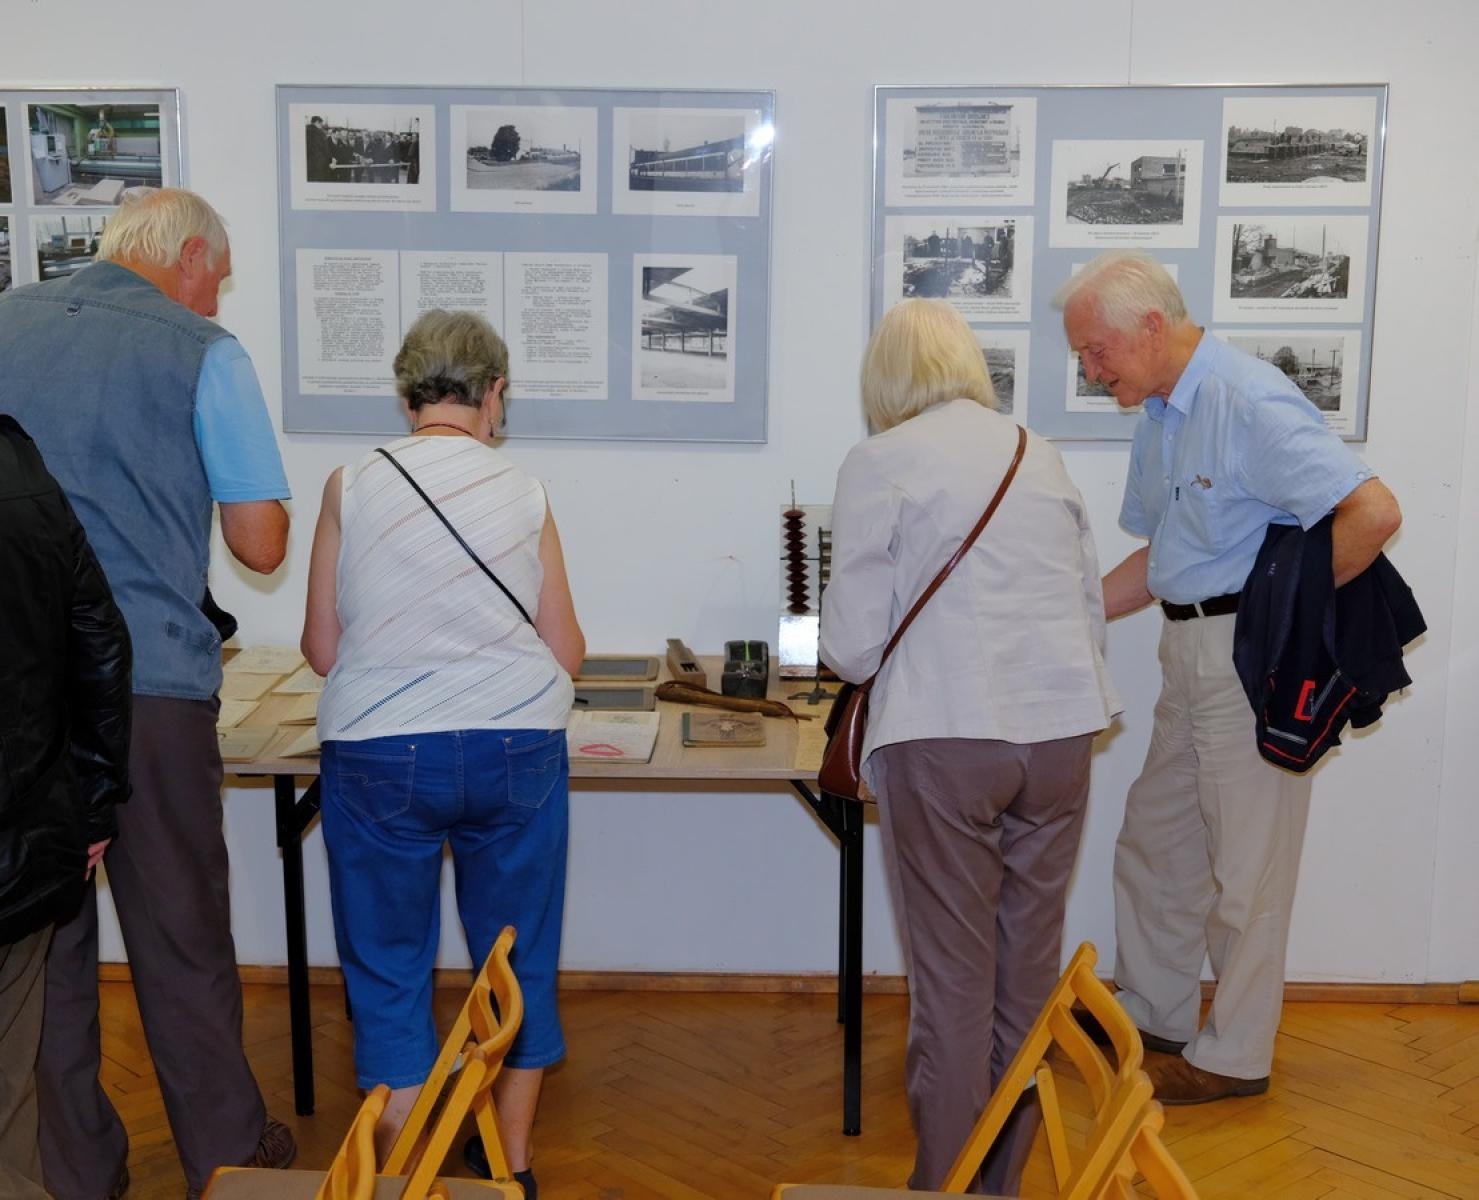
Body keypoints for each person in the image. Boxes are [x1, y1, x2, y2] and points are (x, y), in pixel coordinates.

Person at [0, 187, 295, 1199]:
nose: (215, 297)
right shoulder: (204, 353)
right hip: (151, 689)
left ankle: (75, 1167)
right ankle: (228, 1155)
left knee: (46, 945)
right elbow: (261, 545)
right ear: (184, 257)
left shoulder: (5, 320)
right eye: (217, 276)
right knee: (181, 933)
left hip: (20, 695)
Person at [1053, 250, 1402, 1104]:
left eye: (1096, 351)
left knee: (1247, 872)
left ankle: (1232, 1057)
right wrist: (1062, 618)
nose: (1089, 371)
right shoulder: (1162, 416)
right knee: (1155, 845)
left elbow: (1374, 512)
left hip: (1248, 659)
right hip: (1187, 655)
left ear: (1150, 326)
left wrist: (1286, 624)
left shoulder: (1246, 399)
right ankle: (1154, 1010)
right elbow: (1163, 559)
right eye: (1081, 357)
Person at [818, 298, 1121, 1195]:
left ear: (885, 379)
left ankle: (945, 1184)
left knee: (951, 982)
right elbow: (1088, 614)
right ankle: (1001, 1182)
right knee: (1024, 976)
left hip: (947, 733)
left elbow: (849, 646)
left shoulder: (879, 461)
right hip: (1060, 732)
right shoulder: (1040, 454)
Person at [301, 309, 585, 1200]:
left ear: (406, 394)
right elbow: (566, 649)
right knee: (518, 957)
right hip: (515, 748)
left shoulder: (351, 484)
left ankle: (408, 1166)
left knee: (388, 966)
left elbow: (320, 647)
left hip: (382, 754)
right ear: (494, 393)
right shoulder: (526, 491)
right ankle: (512, 1166)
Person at [0, 416, 132, 1200]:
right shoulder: (19, 458)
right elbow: (97, 638)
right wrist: (90, 800)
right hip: (22, 840)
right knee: (12, 1093)